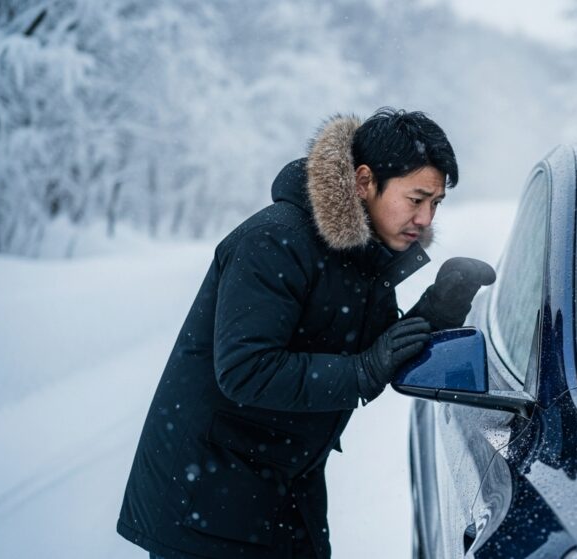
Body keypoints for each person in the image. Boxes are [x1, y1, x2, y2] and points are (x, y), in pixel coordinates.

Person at [117, 108, 496, 558]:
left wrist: (437, 311)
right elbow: (246, 371)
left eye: (435, 204)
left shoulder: (359, 251)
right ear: (363, 182)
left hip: (285, 488)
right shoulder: (275, 241)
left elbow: (374, 355)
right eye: (416, 199)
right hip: (208, 501)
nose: (426, 219)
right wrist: (362, 371)